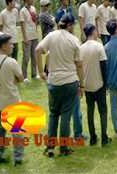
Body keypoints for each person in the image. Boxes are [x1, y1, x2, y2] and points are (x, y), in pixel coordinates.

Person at [36, 14, 83, 157]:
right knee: (66, 116)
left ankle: (50, 147)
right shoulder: (74, 40)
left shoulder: (51, 36)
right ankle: (64, 148)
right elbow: (79, 65)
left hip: (54, 81)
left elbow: (38, 50)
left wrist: (41, 72)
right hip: (70, 81)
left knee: (53, 114)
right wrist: (82, 85)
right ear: (69, 25)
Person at [0, 34, 24, 166]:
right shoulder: (11, 62)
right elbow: (20, 78)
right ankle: (18, 157)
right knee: (17, 132)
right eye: (10, 44)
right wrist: (12, 81)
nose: (13, 45)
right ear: (3, 46)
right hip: (13, 102)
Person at [79, 24, 110, 147]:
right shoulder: (99, 47)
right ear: (93, 32)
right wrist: (105, 84)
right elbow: (103, 66)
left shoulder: (81, 48)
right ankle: (104, 137)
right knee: (103, 111)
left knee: (90, 111)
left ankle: (92, 137)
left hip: (87, 84)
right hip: (99, 83)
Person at [19, 0, 39, 82]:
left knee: (34, 56)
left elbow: (35, 21)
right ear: (26, 0)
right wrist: (25, 37)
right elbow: (22, 25)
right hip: (27, 37)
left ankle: (34, 74)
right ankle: (24, 76)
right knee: (26, 57)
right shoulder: (22, 11)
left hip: (34, 36)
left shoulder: (33, 8)